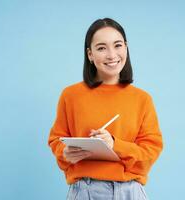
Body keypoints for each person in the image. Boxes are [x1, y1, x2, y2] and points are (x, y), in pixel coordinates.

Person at [48, 18, 163, 200]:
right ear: (90, 54)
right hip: (85, 191)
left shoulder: (142, 99)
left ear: (126, 47)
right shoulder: (70, 95)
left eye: (117, 45)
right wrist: (65, 152)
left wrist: (114, 145)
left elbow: (149, 154)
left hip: (130, 192)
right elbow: (56, 140)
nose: (112, 55)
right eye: (101, 48)